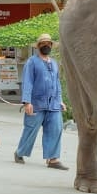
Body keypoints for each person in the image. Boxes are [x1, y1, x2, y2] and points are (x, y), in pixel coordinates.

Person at [14, 33, 69, 170]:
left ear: (51, 46)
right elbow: (28, 82)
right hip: (36, 103)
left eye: (48, 43)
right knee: (31, 130)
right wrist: (27, 102)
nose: (46, 45)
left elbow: (57, 83)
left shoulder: (54, 63)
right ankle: (20, 152)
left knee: (55, 129)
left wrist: (60, 100)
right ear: (38, 46)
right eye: (43, 43)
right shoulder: (32, 62)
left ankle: (53, 159)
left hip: (53, 104)